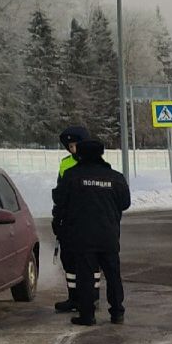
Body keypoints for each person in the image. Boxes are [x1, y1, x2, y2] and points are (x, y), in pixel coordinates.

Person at [51, 139, 131, 326]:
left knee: (85, 276)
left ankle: (87, 315)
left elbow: (59, 200)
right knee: (113, 275)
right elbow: (125, 203)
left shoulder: (72, 176)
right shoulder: (116, 177)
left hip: (82, 235)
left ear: (80, 154)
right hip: (108, 235)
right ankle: (117, 312)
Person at [52, 127, 92, 314]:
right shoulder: (65, 164)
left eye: (75, 145)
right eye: (69, 146)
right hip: (69, 220)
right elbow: (60, 193)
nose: (72, 149)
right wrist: (57, 217)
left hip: (88, 219)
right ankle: (74, 297)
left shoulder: (94, 163)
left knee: (90, 261)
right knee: (68, 259)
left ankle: (92, 297)